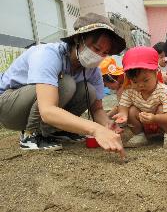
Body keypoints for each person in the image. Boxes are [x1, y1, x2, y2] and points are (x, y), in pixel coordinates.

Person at [0, 13, 126, 158]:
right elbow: (47, 111)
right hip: (8, 106)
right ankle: (30, 134)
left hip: (32, 107)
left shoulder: (93, 71)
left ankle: (58, 131)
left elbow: (97, 109)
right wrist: (95, 130)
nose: (99, 56)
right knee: (66, 83)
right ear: (79, 39)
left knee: (89, 91)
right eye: (96, 49)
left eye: (105, 53)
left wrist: (107, 125)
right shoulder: (47, 55)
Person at [113, 46, 167, 149]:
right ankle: (139, 135)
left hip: (163, 122)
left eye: (145, 80)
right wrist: (123, 114)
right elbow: (123, 104)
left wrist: (155, 118)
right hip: (144, 124)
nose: (140, 85)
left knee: (162, 109)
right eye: (135, 81)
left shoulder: (162, 91)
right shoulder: (130, 90)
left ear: (156, 73)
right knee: (131, 110)